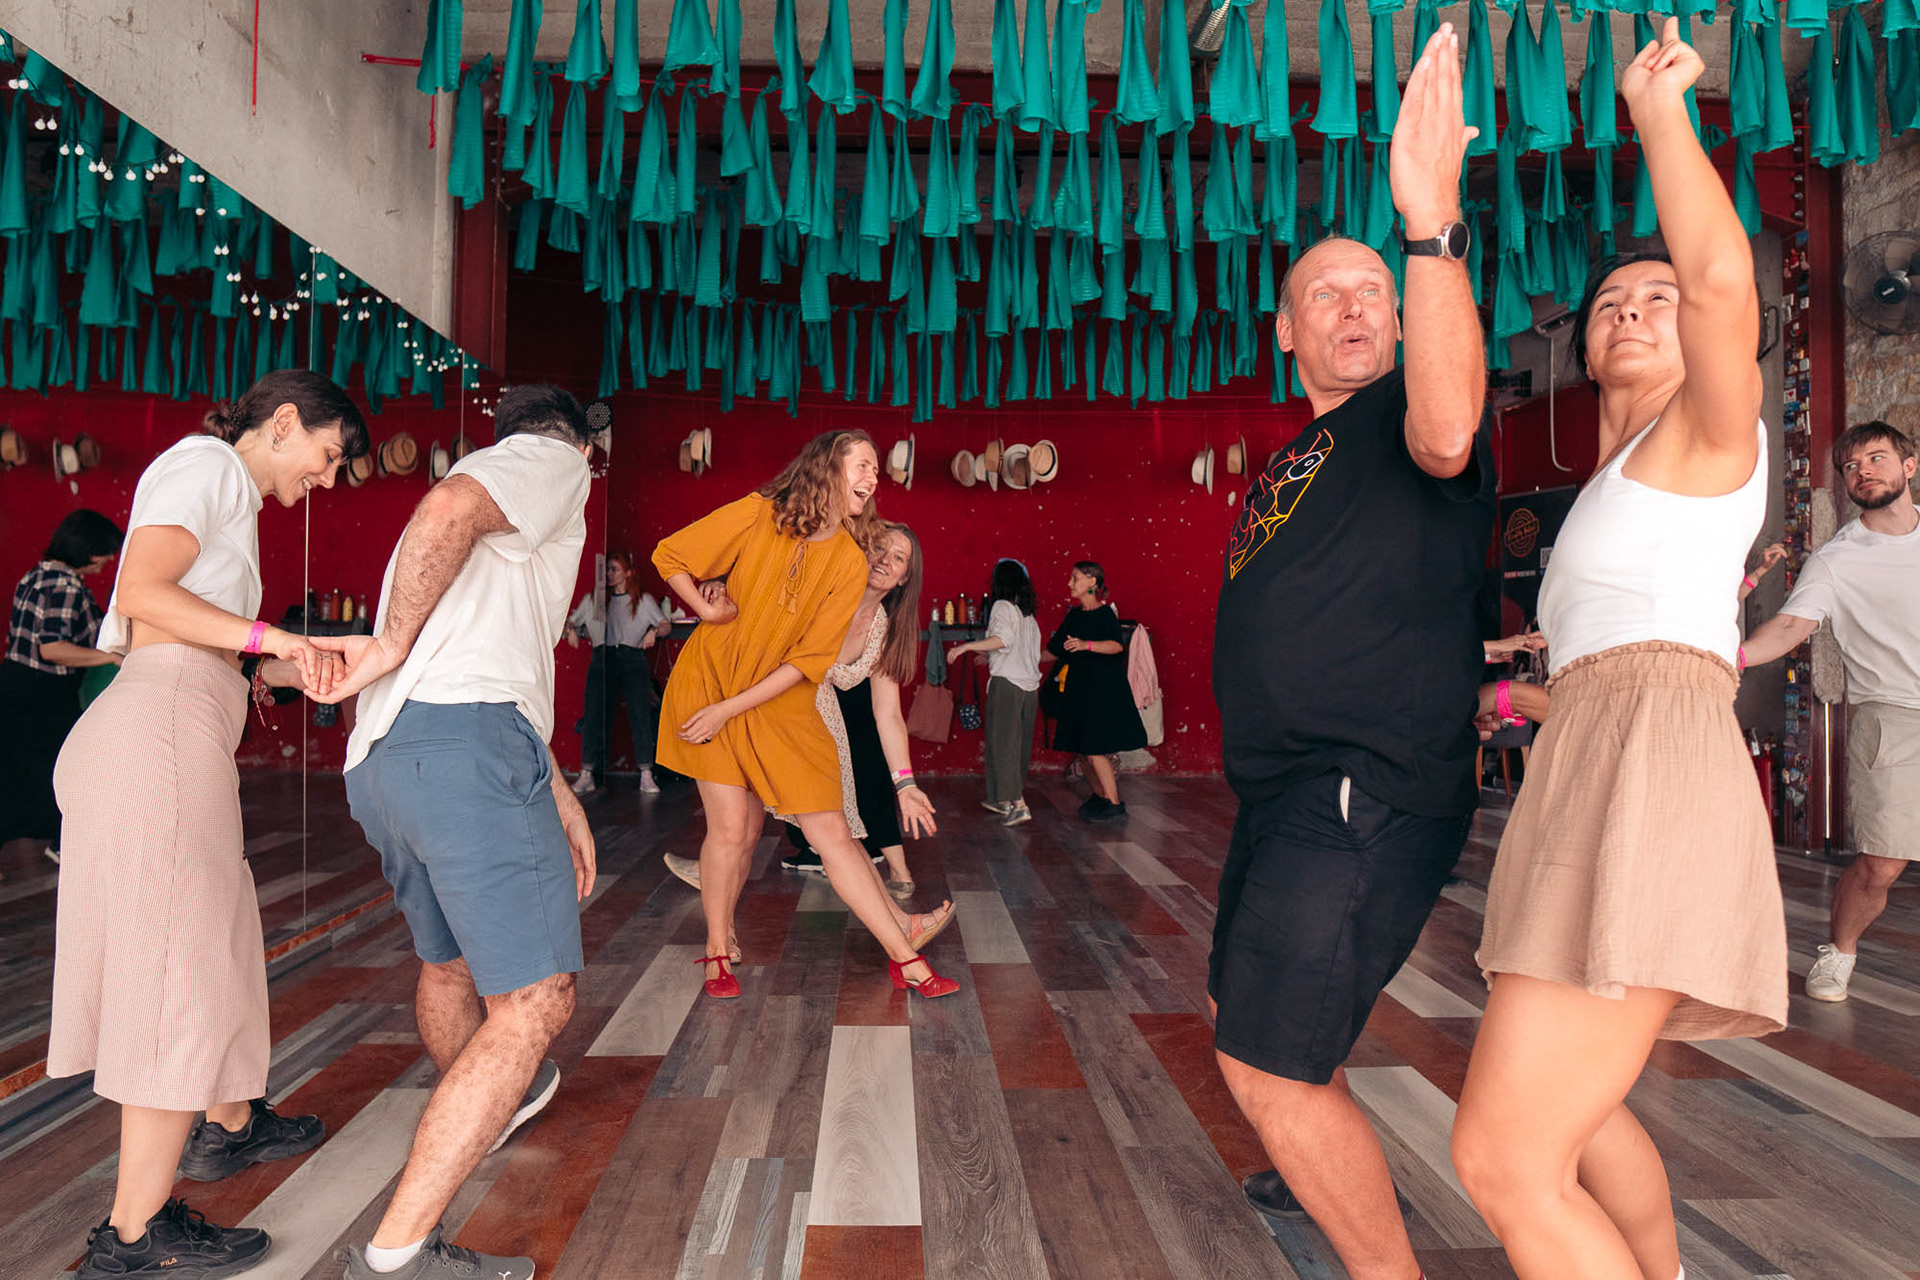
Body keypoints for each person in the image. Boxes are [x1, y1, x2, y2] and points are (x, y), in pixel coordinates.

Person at [1451, 22, 1786, 1280]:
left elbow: (1720, 283)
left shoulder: (1711, 436)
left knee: (1503, 1159)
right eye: (1609, 304)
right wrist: (1510, 693)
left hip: (1653, 774)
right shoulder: (1608, 483)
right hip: (1593, 759)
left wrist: (1660, 118)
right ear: (1583, 349)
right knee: (1579, 1125)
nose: (1636, 309)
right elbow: (1619, 659)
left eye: (1658, 299)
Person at [1209, 27, 1497, 1280]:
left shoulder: (1409, 418)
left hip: (1360, 785)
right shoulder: (1302, 453)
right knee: (1244, 1011)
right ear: (1285, 330)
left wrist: (1428, 227)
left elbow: (1448, 429)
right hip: (1283, 789)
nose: (1354, 305)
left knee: (1265, 1060)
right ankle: (1311, 1155)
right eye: (1325, 294)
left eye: (1372, 290)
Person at [49, 370, 366, 1280]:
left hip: (167, 728)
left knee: (210, 955)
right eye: (328, 455)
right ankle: (132, 1238)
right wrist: (274, 639)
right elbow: (143, 593)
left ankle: (228, 1126)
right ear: (283, 421)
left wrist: (288, 663)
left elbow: (191, 635)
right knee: (173, 982)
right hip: (160, 735)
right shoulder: (209, 465)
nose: (327, 479)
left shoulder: (225, 493)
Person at [314, 385, 599, 1280]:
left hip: (387, 756)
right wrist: (390, 641)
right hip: (464, 746)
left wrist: (555, 789)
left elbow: (484, 650)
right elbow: (449, 507)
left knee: (448, 968)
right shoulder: (552, 462)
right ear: (582, 447)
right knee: (536, 1002)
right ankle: (395, 1258)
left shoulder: (496, 499)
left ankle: (489, 1103)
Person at [653, 431, 958, 1002]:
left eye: (876, 470)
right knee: (732, 829)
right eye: (863, 465)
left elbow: (806, 663)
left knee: (833, 832)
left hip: (778, 702)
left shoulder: (848, 561)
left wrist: (727, 711)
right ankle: (718, 949)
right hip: (711, 679)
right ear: (828, 466)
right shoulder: (758, 513)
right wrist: (705, 611)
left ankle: (906, 958)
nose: (873, 477)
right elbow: (671, 555)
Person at [1741, 420, 1920, 1003]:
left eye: (1876, 458)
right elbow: (1790, 627)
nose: (1863, 471)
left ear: (1909, 466)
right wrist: (1730, 656)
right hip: (1893, 716)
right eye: (1851, 466)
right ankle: (1840, 952)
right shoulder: (1836, 560)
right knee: (1882, 864)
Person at [668, 523, 938, 902]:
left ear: (905, 577)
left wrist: (906, 784)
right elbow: (765, 579)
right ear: (862, 550)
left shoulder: (884, 631)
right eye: (879, 548)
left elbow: (888, 713)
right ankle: (716, 892)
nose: (884, 560)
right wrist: (725, 584)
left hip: (806, 724)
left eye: (898, 558)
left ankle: (713, 877)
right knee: (745, 825)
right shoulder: (821, 588)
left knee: (824, 828)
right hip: (750, 701)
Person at [1, 509, 124, 864]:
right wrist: (110, 658)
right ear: (87, 549)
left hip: (14, 683)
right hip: (43, 694)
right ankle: (63, 843)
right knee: (65, 771)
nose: (107, 561)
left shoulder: (35, 575)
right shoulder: (65, 585)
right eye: (104, 553)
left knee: (13, 773)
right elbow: (52, 649)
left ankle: (57, 840)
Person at [566, 550, 672, 796]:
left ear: (628, 572)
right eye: (607, 570)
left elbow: (665, 624)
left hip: (631, 656)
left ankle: (646, 773)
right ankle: (587, 774)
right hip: (603, 656)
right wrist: (571, 630)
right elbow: (571, 620)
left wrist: (653, 632)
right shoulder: (596, 600)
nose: (609, 574)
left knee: (639, 714)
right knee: (594, 714)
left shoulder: (641, 600)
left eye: (614, 569)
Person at [947, 557, 1045, 826]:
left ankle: (1018, 804)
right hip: (1029, 689)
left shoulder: (1002, 606)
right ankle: (1001, 799)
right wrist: (989, 656)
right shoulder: (1028, 615)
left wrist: (967, 647)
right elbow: (1025, 651)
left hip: (1008, 686)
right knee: (1017, 746)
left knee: (1002, 746)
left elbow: (1002, 640)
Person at [1046, 561, 1146, 821]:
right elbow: (1055, 650)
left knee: (1095, 747)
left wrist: (1086, 645)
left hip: (1102, 691)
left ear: (1092, 582)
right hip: (1079, 690)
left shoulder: (1105, 615)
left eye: (1075, 578)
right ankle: (1100, 796)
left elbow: (1115, 646)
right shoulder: (1074, 616)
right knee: (1082, 747)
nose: (1069, 583)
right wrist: (1015, 656)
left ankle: (1114, 803)